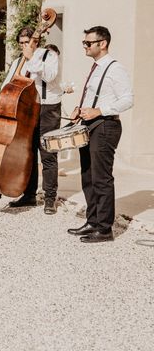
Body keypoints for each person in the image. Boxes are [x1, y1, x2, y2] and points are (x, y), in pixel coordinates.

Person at [67, 26, 133, 243]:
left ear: (102, 43)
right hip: (91, 125)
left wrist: (98, 111)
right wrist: (81, 109)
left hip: (105, 126)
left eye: (88, 43)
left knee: (102, 178)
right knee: (88, 175)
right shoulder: (96, 68)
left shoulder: (115, 69)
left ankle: (104, 229)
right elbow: (96, 96)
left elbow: (127, 99)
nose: (85, 46)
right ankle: (92, 221)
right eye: (84, 43)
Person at [3, 28, 62, 214]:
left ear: (35, 41)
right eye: (20, 43)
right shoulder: (17, 62)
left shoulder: (49, 56)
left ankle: (50, 198)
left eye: (26, 42)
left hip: (47, 108)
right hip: (26, 110)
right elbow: (7, 84)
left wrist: (32, 58)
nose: (23, 46)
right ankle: (29, 195)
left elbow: (50, 77)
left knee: (48, 153)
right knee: (27, 154)